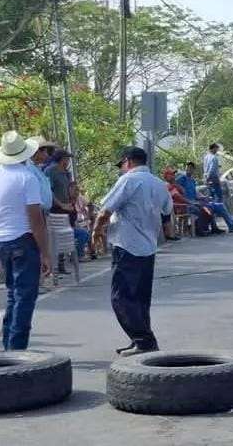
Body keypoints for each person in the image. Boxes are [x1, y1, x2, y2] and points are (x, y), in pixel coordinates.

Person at [93, 147, 174, 357]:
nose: (121, 170)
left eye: (121, 166)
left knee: (121, 298)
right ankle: (138, 340)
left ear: (127, 161)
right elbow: (167, 211)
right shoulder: (158, 183)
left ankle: (144, 341)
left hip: (127, 245)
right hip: (148, 246)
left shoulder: (129, 180)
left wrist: (96, 232)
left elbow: (106, 210)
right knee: (140, 298)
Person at [0, 131, 53, 350]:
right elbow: (36, 219)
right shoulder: (26, 177)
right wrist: (46, 253)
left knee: (14, 294)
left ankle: (9, 345)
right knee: (25, 296)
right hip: (23, 238)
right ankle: (17, 348)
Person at [178, 162, 233, 234]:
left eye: (191, 168)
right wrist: (188, 199)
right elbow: (174, 186)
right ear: (185, 168)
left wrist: (204, 197)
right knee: (208, 208)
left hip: (197, 202)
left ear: (193, 170)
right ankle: (215, 227)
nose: (189, 170)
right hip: (188, 204)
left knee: (219, 205)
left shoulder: (192, 180)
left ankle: (231, 225)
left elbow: (195, 193)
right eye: (187, 168)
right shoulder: (182, 178)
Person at [69, 182, 97, 260]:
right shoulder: (67, 200)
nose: (77, 192)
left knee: (87, 232)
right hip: (71, 225)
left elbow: (90, 205)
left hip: (81, 221)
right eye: (75, 190)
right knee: (84, 233)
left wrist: (88, 216)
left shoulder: (80, 198)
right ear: (69, 190)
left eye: (77, 190)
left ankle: (91, 252)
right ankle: (78, 255)